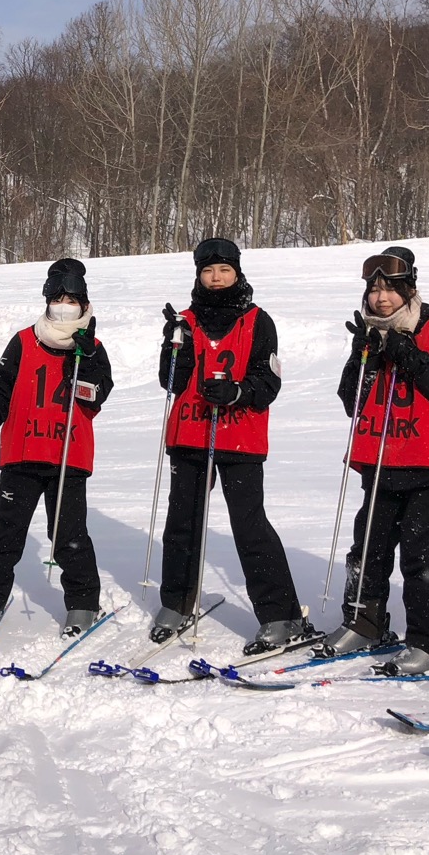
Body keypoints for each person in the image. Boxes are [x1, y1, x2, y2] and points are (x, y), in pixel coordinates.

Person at [324, 246, 429, 673]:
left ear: (410, 290)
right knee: (367, 548)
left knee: (421, 554)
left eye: (391, 289)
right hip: (382, 459)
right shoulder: (372, 336)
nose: (382, 298)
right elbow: (351, 400)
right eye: (374, 290)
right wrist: (363, 354)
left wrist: (408, 354)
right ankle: (364, 622)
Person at [153, 238, 308, 654]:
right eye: (208, 271)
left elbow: (269, 382)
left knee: (250, 525)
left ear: (237, 272)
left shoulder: (259, 321)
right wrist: (175, 345)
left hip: (240, 437)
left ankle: (280, 613)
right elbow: (170, 383)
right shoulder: (184, 320)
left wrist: (238, 392)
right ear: (198, 275)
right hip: (189, 435)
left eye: (224, 270)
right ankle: (176, 602)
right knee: (182, 523)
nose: (216, 278)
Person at [0, 259, 114, 639]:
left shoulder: (93, 348)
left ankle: (82, 602)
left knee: (69, 534)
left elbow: (96, 398)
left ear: (84, 305)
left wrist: (88, 360)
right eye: (58, 300)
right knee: (7, 531)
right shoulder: (22, 340)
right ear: (47, 302)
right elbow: (0, 389)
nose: (64, 307)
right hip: (22, 453)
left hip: (69, 456)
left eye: (72, 301)